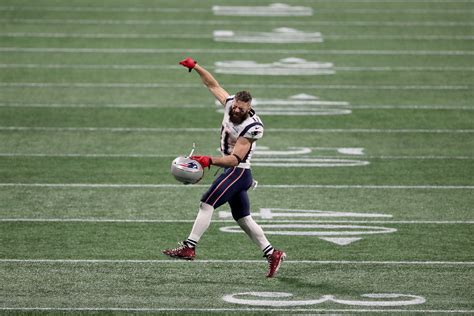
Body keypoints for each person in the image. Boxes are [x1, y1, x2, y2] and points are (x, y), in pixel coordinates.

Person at [163, 57, 286, 278]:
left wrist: (207, 160)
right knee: (243, 218)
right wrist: (196, 67)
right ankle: (272, 253)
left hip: (238, 172)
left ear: (249, 108)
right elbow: (212, 85)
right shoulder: (230, 104)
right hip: (235, 173)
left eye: (241, 108)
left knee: (206, 203)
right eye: (236, 106)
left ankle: (189, 247)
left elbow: (234, 160)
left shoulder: (253, 127)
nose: (236, 110)